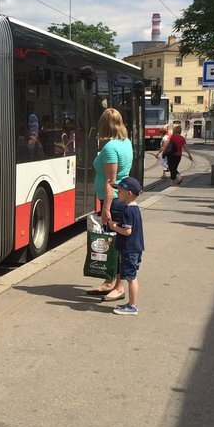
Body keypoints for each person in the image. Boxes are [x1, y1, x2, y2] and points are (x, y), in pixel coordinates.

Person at [88, 107, 133, 298]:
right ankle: (112, 283)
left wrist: (105, 208)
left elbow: (110, 181)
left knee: (113, 243)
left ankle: (117, 287)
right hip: (118, 199)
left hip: (113, 200)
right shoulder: (126, 142)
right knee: (115, 242)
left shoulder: (110, 148)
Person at [107, 176, 144, 315]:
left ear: (128, 193)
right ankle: (130, 303)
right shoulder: (134, 208)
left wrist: (114, 227)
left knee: (131, 278)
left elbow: (127, 231)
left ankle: (133, 306)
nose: (117, 193)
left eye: (120, 191)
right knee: (131, 276)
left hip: (129, 249)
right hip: (135, 247)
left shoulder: (127, 210)